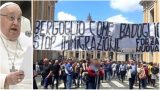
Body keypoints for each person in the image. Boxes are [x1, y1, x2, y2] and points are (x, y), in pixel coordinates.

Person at [0, 2, 32, 89]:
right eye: (11, 17)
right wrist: (5, 79)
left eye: (19, 19)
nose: (16, 23)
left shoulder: (29, 42)